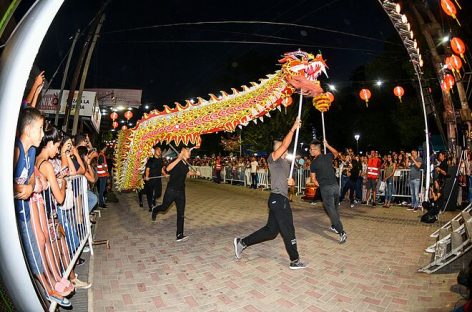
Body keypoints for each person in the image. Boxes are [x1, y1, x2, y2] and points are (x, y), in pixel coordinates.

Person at [233, 118, 306, 269]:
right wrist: (293, 128)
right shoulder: (272, 159)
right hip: (278, 200)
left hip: (279, 199)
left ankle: (242, 242)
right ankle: (294, 260)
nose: (283, 149)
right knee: (288, 229)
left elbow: (287, 184)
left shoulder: (285, 165)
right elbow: (286, 144)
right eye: (280, 147)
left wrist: (291, 184)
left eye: (283, 148)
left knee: (271, 231)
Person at [151, 147, 197, 242]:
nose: (189, 152)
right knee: (164, 208)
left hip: (181, 192)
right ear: (182, 152)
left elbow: (187, 172)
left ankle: (179, 234)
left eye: (189, 151)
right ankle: (155, 210)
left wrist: (195, 173)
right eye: (187, 151)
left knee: (181, 214)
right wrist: (179, 159)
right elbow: (168, 168)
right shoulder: (177, 160)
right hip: (171, 190)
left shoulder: (186, 164)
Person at [309, 140, 347, 244]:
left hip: (326, 189)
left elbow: (313, 179)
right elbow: (336, 153)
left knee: (331, 211)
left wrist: (320, 186)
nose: (310, 151)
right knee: (335, 209)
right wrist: (328, 145)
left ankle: (341, 231)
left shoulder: (314, 163)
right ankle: (335, 226)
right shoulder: (328, 156)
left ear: (316, 149)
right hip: (335, 187)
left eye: (311, 149)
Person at [144, 146, 164, 211]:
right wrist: (147, 176)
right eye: (158, 150)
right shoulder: (151, 160)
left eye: (160, 150)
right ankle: (151, 206)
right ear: (155, 151)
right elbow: (147, 169)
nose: (159, 151)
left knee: (158, 193)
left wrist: (165, 174)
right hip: (151, 180)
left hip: (158, 180)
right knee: (150, 193)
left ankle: (153, 200)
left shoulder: (161, 160)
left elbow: (161, 169)